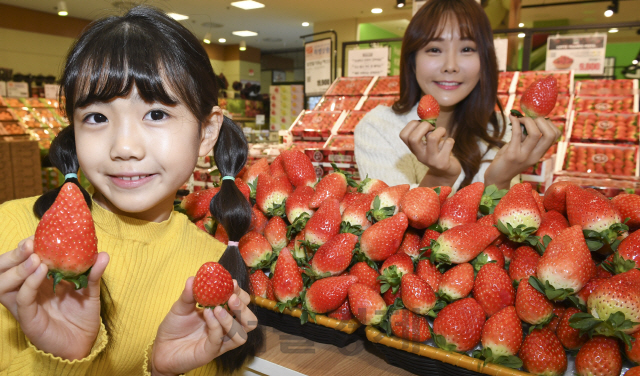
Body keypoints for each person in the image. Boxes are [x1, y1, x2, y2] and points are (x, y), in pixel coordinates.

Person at [0, 6, 262, 376]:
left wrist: (162, 370)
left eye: (156, 114)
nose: (124, 147)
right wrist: (58, 358)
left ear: (206, 132)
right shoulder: (12, 240)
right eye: (96, 117)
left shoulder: (213, 269)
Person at [354, 0, 560, 191]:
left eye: (467, 49)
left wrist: (499, 181)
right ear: (412, 60)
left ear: (485, 61)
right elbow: (389, 225)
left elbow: (503, 228)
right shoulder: (378, 128)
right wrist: (439, 177)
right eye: (434, 49)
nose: (450, 66)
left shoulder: (503, 130)